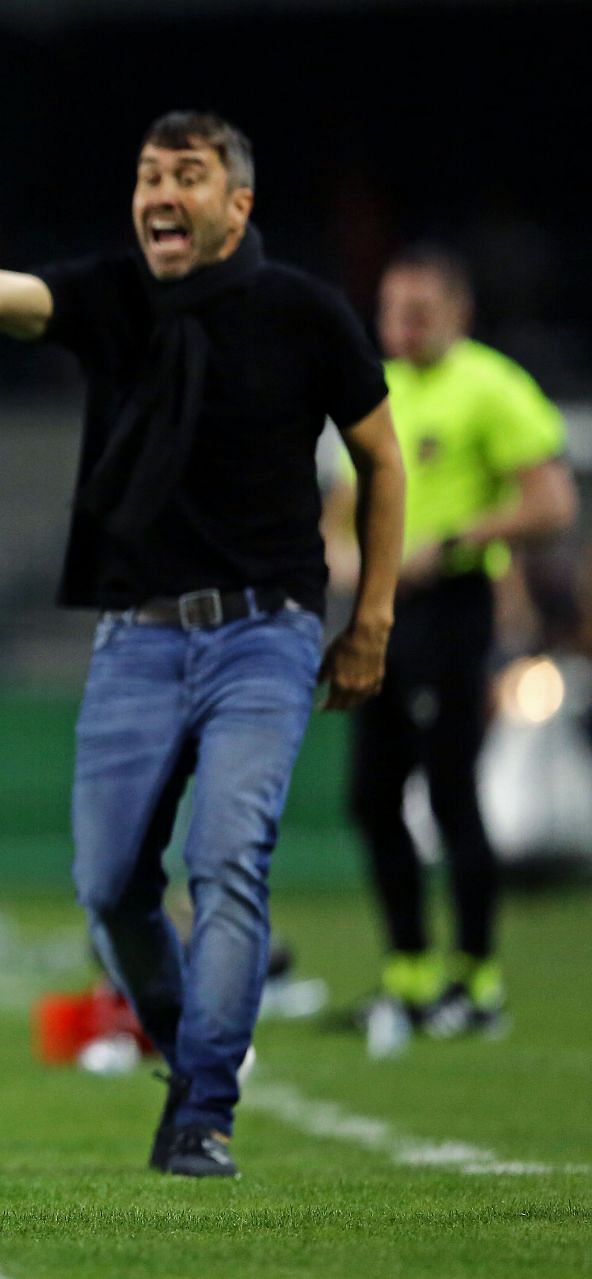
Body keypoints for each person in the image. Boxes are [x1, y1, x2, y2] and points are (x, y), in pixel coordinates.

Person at [0, 110, 405, 1178]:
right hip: (136, 640)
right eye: (147, 174)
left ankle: (204, 1106)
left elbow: (381, 457)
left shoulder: (305, 314)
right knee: (106, 889)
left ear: (238, 203)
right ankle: (194, 1054)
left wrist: (368, 621)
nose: (159, 193)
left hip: (264, 638)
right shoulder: (113, 297)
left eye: (187, 174)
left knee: (230, 860)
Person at [322, 246, 575, 1045]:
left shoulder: (492, 388)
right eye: (393, 307)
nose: (403, 322)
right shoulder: (374, 389)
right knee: (371, 795)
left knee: (450, 791)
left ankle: (477, 978)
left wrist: (461, 536)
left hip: (454, 605)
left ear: (458, 313)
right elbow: (338, 513)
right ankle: (410, 972)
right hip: (382, 609)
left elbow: (554, 503)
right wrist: (344, 560)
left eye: (420, 309)